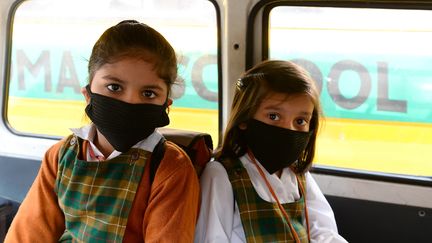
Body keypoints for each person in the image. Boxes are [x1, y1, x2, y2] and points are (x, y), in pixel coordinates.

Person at [5, 20, 199, 243]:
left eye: (148, 94)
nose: (130, 103)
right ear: (88, 94)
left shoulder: (170, 167)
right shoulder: (60, 156)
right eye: (115, 87)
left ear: (166, 105)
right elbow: (28, 235)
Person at [194, 60, 347, 243]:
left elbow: (323, 233)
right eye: (273, 116)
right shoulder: (222, 175)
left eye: (300, 121)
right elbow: (212, 238)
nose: (288, 130)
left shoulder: (298, 175)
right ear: (244, 118)